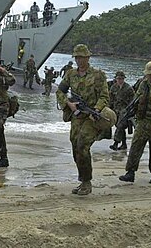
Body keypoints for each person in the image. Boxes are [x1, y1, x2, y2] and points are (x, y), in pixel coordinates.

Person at [56, 44, 109, 195]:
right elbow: (60, 90)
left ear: (88, 58)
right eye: (77, 57)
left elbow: (105, 96)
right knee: (75, 145)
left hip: (91, 116)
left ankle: (87, 182)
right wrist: (68, 103)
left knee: (82, 145)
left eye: (82, 57)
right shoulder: (71, 74)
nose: (79, 60)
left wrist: (97, 110)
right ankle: (82, 179)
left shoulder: (98, 75)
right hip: (76, 115)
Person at [109, 71, 135, 151]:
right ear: (116, 79)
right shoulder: (113, 87)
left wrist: (130, 111)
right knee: (119, 127)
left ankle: (116, 143)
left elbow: (133, 100)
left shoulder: (128, 88)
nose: (120, 80)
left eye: (121, 78)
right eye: (118, 78)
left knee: (120, 125)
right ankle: (124, 144)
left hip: (125, 111)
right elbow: (111, 99)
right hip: (116, 110)